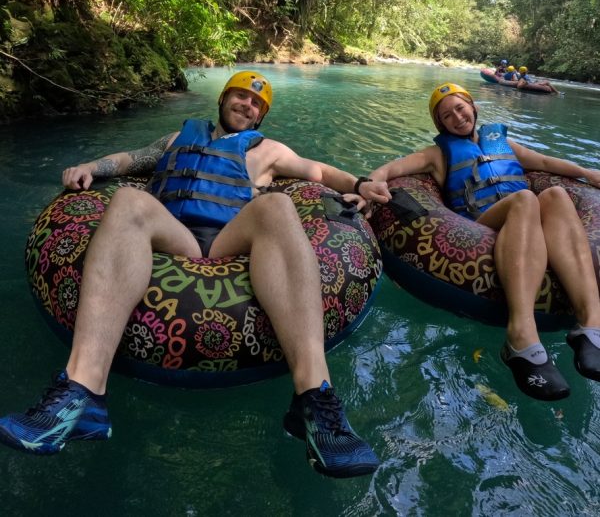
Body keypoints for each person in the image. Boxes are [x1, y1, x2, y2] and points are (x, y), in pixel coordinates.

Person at [0, 71, 390, 477]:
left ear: (261, 116)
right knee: (130, 199)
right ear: (222, 99)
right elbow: (131, 160)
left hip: (227, 239)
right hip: (173, 234)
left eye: (257, 103)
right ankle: (82, 393)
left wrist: (360, 184)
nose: (247, 104)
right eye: (240, 96)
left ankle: (314, 399)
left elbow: (320, 174)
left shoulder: (269, 150)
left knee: (277, 207)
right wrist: (92, 167)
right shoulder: (176, 137)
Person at [365, 82, 600, 401]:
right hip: (483, 224)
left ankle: (591, 328)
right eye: (447, 116)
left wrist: (587, 172)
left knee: (556, 194)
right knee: (525, 200)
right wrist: (369, 184)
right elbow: (393, 169)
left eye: (460, 108)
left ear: (472, 106)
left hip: (527, 214)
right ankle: (521, 337)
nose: (457, 117)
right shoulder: (437, 155)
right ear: (441, 124)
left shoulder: (503, 142)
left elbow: (544, 164)